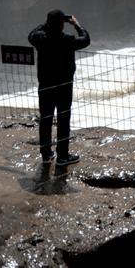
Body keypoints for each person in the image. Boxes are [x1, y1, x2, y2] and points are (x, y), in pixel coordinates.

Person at [28, 10, 90, 166]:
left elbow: (32, 34)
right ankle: (62, 156)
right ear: (62, 24)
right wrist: (76, 25)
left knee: (45, 119)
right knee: (63, 119)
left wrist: (46, 24)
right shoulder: (67, 40)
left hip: (45, 86)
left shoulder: (39, 39)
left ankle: (46, 155)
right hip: (64, 87)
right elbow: (85, 39)